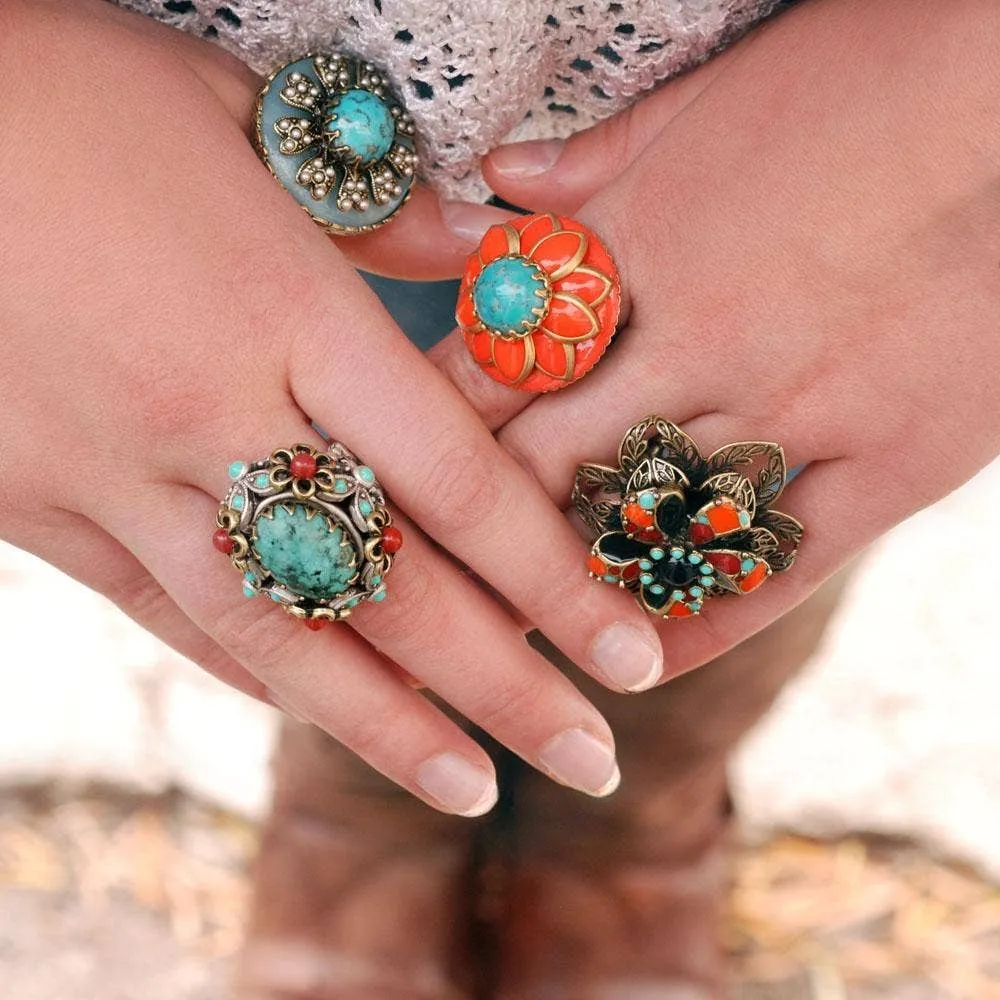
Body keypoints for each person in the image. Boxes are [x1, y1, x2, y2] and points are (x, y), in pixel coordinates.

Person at [1, 0, 997, 995]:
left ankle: (627, 827)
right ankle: (362, 812)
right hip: (216, 88)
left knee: (730, 494)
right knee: (291, 481)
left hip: (816, 82)